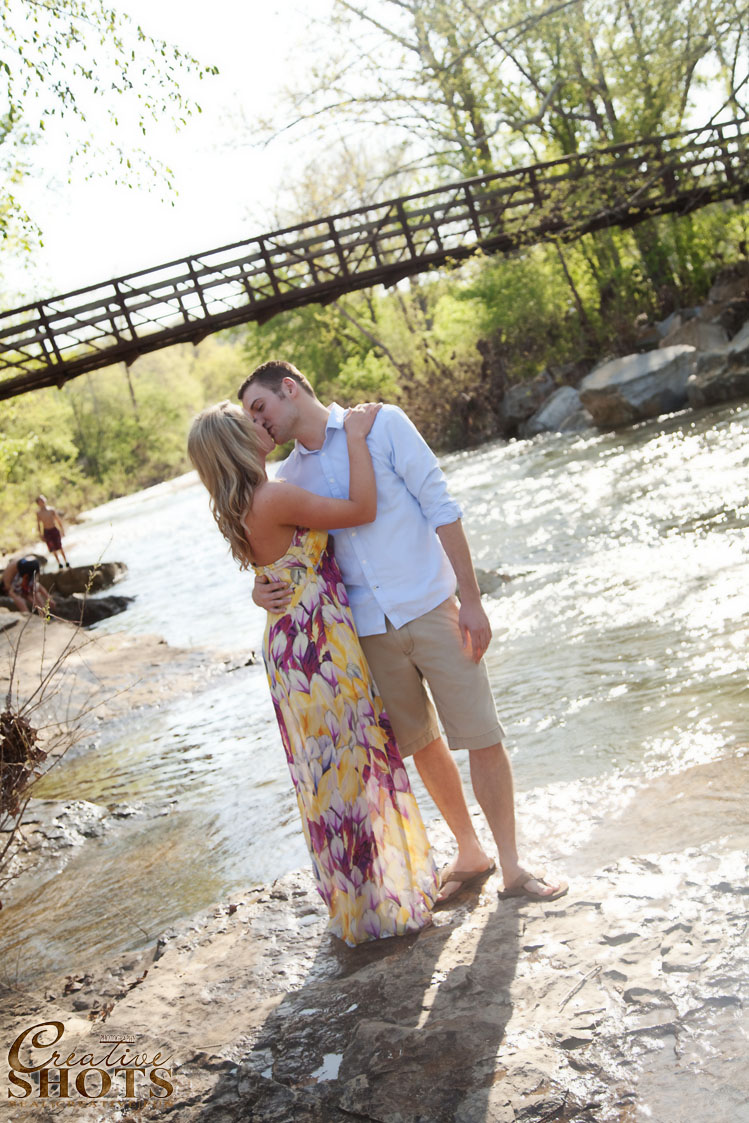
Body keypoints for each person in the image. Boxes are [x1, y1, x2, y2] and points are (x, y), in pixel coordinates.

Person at [240, 361, 567, 904]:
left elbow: (441, 506)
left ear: (290, 388)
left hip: (432, 606)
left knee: (481, 734)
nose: (259, 423)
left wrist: (472, 599)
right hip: (365, 632)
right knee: (421, 745)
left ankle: (513, 867)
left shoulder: (384, 423)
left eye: (260, 408)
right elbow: (282, 551)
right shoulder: (288, 480)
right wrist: (260, 588)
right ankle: (470, 852)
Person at [187, 400, 438, 946]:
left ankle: (364, 902)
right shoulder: (274, 495)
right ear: (236, 441)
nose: (263, 425)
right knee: (353, 766)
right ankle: (385, 904)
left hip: (290, 648)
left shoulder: (236, 506)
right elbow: (361, 508)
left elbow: (273, 566)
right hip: (319, 649)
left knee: (331, 776)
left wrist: (260, 589)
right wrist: (351, 436)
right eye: (249, 422)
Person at [35, 495, 70, 569]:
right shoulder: (39, 513)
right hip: (47, 531)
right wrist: (41, 535)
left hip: (54, 529)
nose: (42, 502)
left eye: (43, 500)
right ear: (38, 503)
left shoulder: (51, 510)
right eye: (40, 501)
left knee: (60, 546)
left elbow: (57, 519)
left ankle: (66, 561)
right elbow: (39, 524)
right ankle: (59, 563)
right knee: (53, 549)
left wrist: (62, 530)